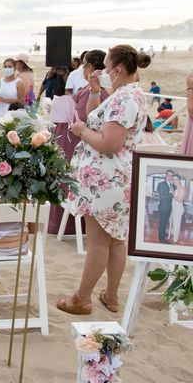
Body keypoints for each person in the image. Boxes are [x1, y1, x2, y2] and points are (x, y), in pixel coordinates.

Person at [57, 45, 151, 315]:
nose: (103, 71)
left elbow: (109, 143)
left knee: (99, 242)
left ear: (118, 70)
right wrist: (96, 91)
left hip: (107, 180)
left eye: (107, 67)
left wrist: (82, 131)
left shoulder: (125, 99)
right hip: (117, 178)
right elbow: (98, 116)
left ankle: (81, 298)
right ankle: (111, 296)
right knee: (115, 240)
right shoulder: (128, 93)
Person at [48, 50, 109, 234]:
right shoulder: (100, 88)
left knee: (67, 181)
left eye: (84, 64)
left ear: (90, 66)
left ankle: (66, 227)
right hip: (82, 138)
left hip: (76, 141)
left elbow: (84, 117)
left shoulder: (95, 90)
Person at [157, 170, 175, 244]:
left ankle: (163, 233)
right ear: (165, 175)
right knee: (162, 223)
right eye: (168, 175)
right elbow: (162, 197)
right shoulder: (161, 184)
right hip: (163, 207)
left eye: (171, 175)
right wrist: (171, 195)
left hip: (168, 208)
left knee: (165, 222)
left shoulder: (172, 185)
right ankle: (161, 239)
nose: (170, 177)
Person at [169, 174, 185, 243]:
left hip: (178, 209)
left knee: (176, 224)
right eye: (173, 179)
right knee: (175, 224)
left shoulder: (180, 188)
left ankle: (175, 239)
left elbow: (180, 200)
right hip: (175, 208)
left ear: (179, 180)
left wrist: (172, 193)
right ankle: (174, 237)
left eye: (176, 179)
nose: (174, 180)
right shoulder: (177, 187)